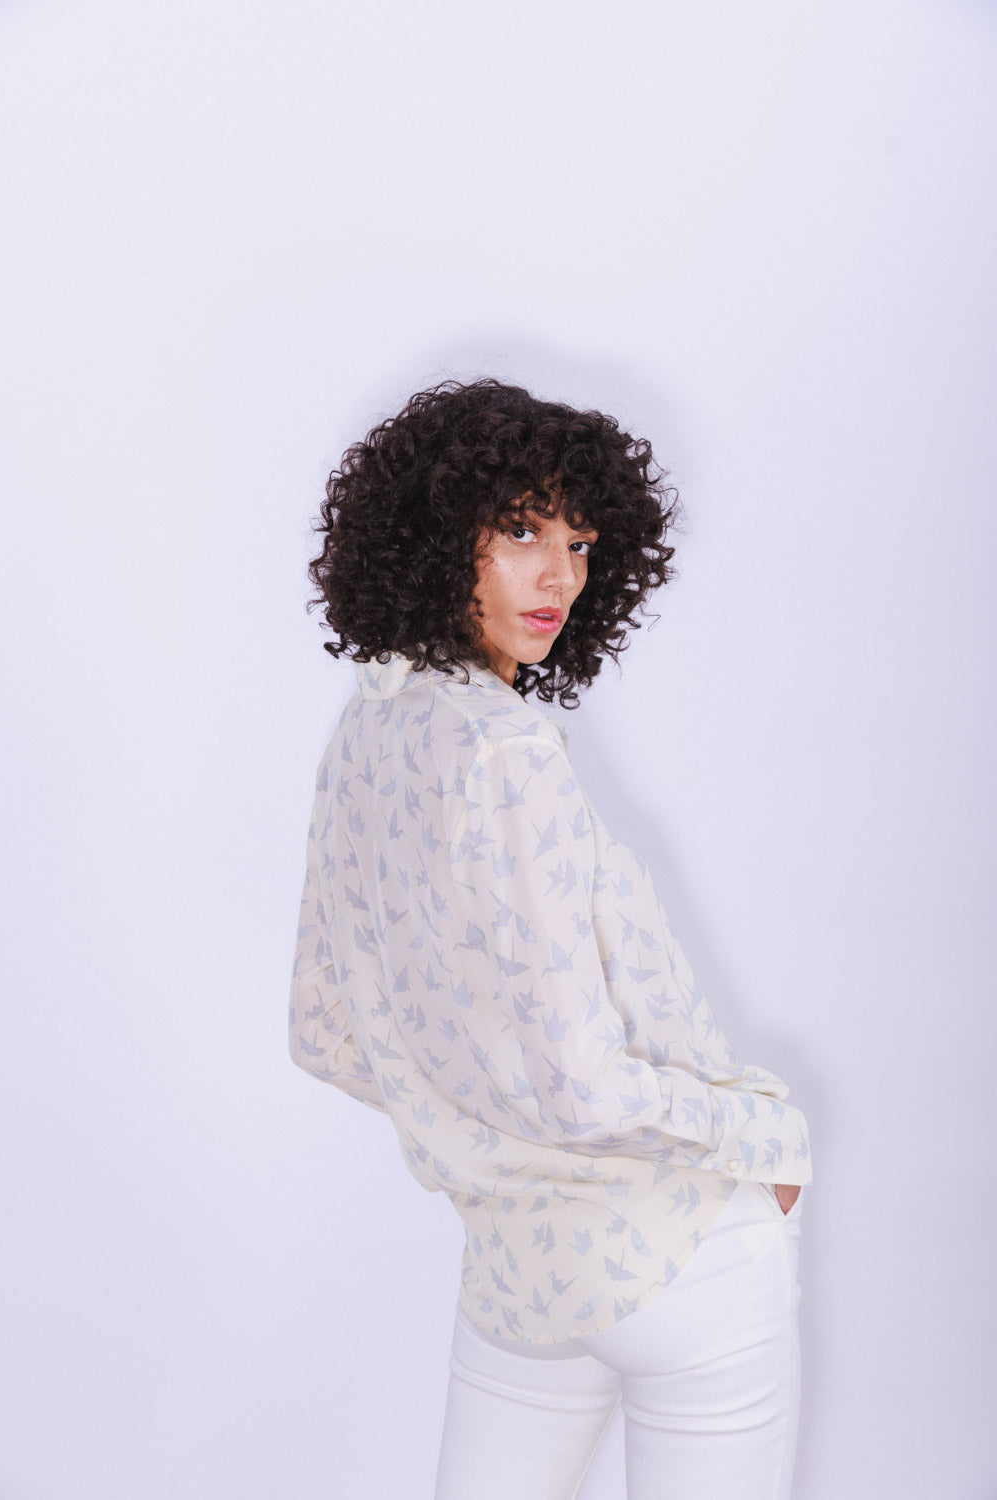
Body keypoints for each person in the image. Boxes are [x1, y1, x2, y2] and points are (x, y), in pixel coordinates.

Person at [289, 377, 812, 1500]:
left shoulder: (367, 729)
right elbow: (579, 1088)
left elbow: (325, 1033)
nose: (558, 578)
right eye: (520, 529)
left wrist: (486, 1144)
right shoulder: (507, 750)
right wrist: (757, 1139)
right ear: (438, 533)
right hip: (677, 1254)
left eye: (578, 542)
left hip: (517, 1266)